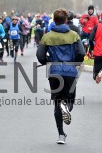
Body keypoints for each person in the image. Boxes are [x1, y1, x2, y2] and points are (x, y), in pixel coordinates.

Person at [36, 8, 85, 144]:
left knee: (57, 103)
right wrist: (73, 62)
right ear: (66, 19)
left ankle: (61, 135)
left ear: (54, 20)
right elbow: (81, 53)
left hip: (55, 71)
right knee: (70, 99)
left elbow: (40, 55)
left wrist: (48, 62)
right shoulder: (74, 35)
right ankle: (67, 108)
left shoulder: (47, 36)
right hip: (70, 71)